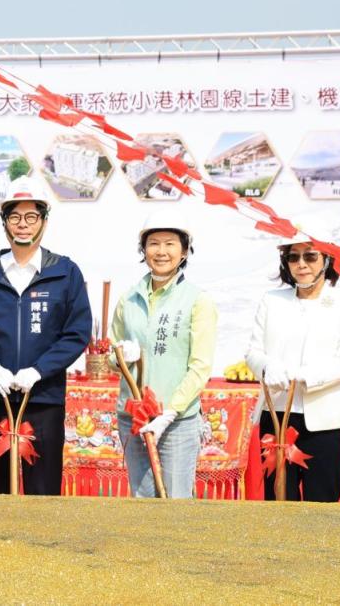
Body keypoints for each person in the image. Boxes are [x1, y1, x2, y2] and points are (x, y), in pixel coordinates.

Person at [0, 176, 92, 495]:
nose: (23, 225)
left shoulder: (65, 273)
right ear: (4, 221)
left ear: (44, 220)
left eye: (32, 216)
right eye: (15, 216)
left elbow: (76, 333)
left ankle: (43, 546)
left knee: (43, 490)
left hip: (43, 400)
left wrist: (39, 370)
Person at [245, 224, 340, 502]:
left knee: (322, 505)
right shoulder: (271, 300)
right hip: (276, 415)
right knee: (278, 503)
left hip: (325, 420)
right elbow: (253, 351)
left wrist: (303, 375)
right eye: (293, 257)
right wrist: (266, 368)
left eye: (310, 256)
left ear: (327, 260)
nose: (301, 264)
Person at [110, 210, 217, 499]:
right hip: (133, 417)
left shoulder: (198, 300)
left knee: (176, 503)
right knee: (142, 499)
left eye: (170, 243)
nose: (161, 251)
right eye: (153, 243)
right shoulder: (129, 298)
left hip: (176, 422)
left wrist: (169, 413)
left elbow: (200, 367)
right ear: (143, 250)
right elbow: (111, 350)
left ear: (184, 250)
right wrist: (122, 354)